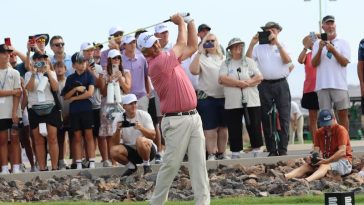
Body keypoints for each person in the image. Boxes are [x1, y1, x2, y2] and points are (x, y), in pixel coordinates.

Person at [138, 13, 210, 205]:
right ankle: (156, 202)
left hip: (193, 117)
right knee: (170, 165)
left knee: (199, 164)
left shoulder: (167, 58)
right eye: (151, 46)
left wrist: (190, 21)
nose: (156, 45)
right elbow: (181, 43)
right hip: (176, 121)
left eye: (155, 42)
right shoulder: (158, 64)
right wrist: (180, 24)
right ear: (145, 52)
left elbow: (193, 46)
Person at [246, 21, 293, 156]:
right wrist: (252, 43)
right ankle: (272, 149)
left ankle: (283, 149)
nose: (270, 33)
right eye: (267, 30)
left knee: (284, 116)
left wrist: (277, 43)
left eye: (273, 30)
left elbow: (287, 61)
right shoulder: (258, 48)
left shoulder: (283, 45)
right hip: (264, 84)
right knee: (265, 117)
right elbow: (248, 62)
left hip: (281, 84)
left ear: (278, 31)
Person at [219, 38, 264, 158]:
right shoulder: (226, 63)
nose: (238, 48)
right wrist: (239, 83)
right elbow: (222, 79)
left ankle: (256, 149)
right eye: (235, 46)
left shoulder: (249, 61)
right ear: (230, 50)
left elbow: (259, 77)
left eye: (240, 46)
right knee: (234, 126)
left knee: (254, 125)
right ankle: (235, 152)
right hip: (233, 101)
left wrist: (247, 82)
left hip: (251, 100)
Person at [283, 109, 352, 183]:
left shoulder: (341, 130)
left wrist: (327, 161)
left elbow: (342, 152)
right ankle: (285, 177)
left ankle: (306, 181)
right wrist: (312, 158)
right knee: (307, 166)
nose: (327, 126)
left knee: (324, 166)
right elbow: (316, 151)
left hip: (344, 162)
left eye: (329, 123)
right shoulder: (318, 132)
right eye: (325, 124)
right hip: (326, 161)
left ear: (334, 119)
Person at [189, 33, 228, 160]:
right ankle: (211, 153)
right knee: (210, 128)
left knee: (223, 128)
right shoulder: (200, 57)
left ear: (217, 42)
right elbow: (193, 71)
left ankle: (222, 153)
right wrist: (199, 52)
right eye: (207, 41)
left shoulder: (223, 58)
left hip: (224, 97)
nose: (210, 43)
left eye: (213, 41)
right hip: (207, 98)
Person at [311, 15, 351, 131]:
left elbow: (344, 62)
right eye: (327, 24)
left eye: (332, 23)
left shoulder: (343, 42)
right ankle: (329, 144)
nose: (330, 26)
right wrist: (319, 49)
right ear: (322, 26)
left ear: (335, 25)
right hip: (322, 85)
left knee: (342, 114)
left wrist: (333, 50)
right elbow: (314, 64)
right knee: (326, 117)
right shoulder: (317, 43)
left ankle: (345, 143)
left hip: (339, 84)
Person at [25, 52, 61, 171]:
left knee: (52, 138)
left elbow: (56, 88)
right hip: (34, 108)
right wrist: (34, 73)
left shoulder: (51, 72)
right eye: (39, 59)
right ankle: (42, 167)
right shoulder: (28, 74)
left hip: (50, 107)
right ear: (34, 61)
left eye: (44, 59)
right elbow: (29, 89)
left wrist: (48, 72)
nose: (42, 61)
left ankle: (55, 167)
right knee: (38, 140)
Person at [62, 52, 96, 169]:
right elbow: (65, 97)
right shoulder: (70, 78)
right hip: (74, 111)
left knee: (88, 135)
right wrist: (76, 89)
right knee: (76, 137)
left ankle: (91, 161)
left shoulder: (89, 75)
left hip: (86, 109)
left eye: (83, 62)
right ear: (74, 65)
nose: (82, 64)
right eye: (79, 62)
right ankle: (78, 162)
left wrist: (74, 98)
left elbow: (90, 93)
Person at [110, 94, 156, 176]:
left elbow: (153, 135)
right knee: (113, 151)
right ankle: (132, 167)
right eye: (130, 104)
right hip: (131, 151)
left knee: (140, 140)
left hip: (148, 151)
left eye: (135, 103)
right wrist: (118, 130)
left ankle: (147, 166)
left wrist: (141, 128)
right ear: (124, 106)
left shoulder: (144, 114)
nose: (134, 106)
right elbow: (115, 143)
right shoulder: (118, 118)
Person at [99, 49, 131, 166]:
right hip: (107, 105)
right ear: (109, 60)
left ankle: (123, 158)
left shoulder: (126, 72)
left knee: (121, 131)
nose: (116, 60)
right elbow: (102, 92)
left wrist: (121, 78)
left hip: (121, 104)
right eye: (114, 58)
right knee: (109, 133)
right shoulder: (103, 73)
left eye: (118, 58)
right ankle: (112, 161)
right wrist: (109, 81)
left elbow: (127, 89)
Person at [0, 44, 22, 174]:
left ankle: (16, 167)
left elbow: (18, 93)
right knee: (2, 141)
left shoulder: (15, 72)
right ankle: (3, 168)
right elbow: (14, 92)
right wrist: (12, 92)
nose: (7, 55)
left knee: (15, 140)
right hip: (0, 113)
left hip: (13, 111)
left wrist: (14, 112)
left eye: (9, 52)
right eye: (4, 53)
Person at [298, 34, 320, 142]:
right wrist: (305, 47)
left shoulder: (323, 53)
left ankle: (331, 141)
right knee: (312, 118)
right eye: (310, 41)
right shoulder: (307, 55)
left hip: (323, 88)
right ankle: (316, 143)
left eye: (314, 40)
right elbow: (299, 60)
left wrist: (320, 37)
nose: (312, 42)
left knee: (329, 115)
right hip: (310, 89)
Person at [121, 35, 150, 111]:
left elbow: (146, 76)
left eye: (134, 42)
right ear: (124, 45)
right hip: (127, 98)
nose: (132, 45)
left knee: (143, 121)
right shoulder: (120, 60)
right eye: (129, 43)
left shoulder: (142, 58)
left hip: (142, 97)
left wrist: (148, 93)